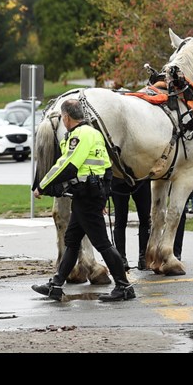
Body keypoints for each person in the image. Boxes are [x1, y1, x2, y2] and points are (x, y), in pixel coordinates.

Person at [31, 99, 135, 302]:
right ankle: (56, 285)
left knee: (102, 244)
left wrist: (42, 185)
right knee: (71, 241)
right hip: (87, 195)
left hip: (87, 197)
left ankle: (124, 287)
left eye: (62, 118)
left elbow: (68, 164)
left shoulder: (80, 135)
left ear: (67, 117)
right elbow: (105, 167)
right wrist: (103, 195)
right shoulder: (94, 133)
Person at [110, 177, 188, 272]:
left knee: (145, 219)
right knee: (121, 220)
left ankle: (143, 257)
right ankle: (121, 258)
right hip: (119, 180)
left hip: (141, 180)